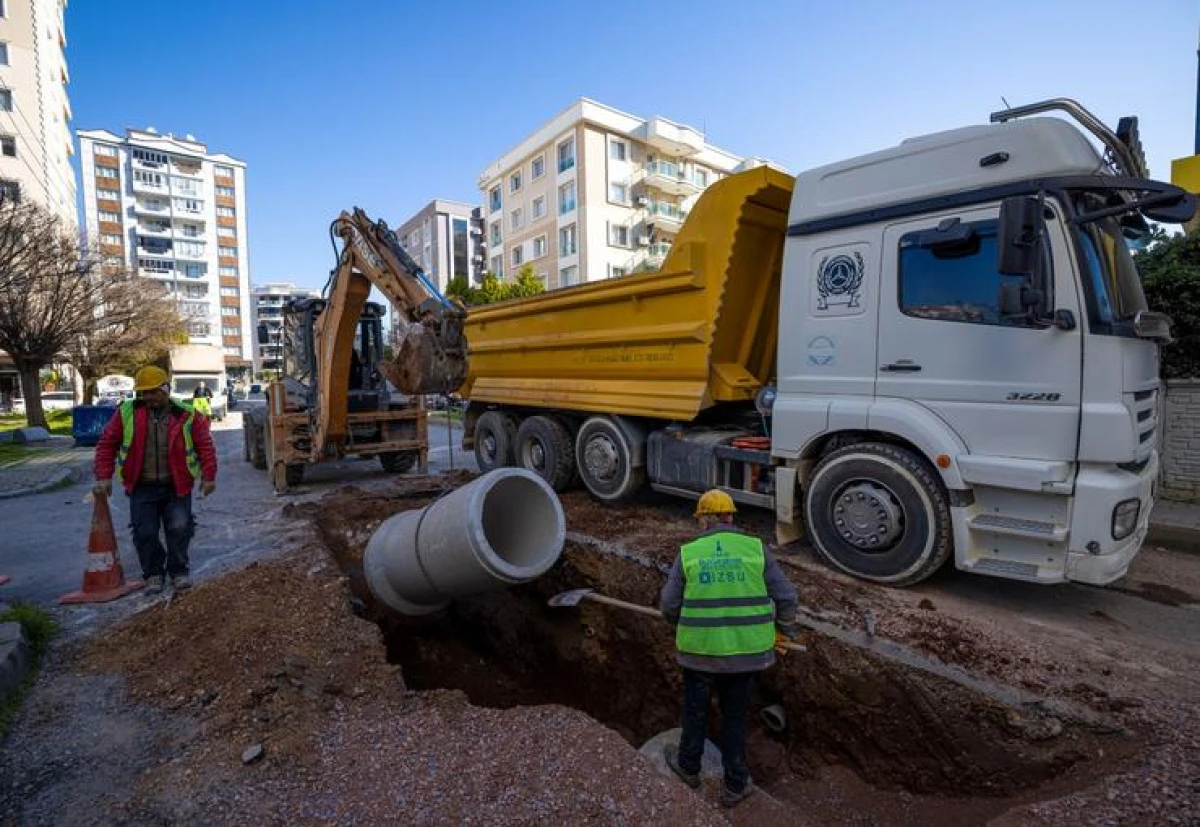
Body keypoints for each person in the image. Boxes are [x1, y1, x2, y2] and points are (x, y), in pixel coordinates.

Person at [658, 489, 799, 808]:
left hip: (700, 654)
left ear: (705, 520)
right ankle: (735, 784)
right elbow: (787, 598)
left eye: (700, 520)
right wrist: (785, 632)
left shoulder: (690, 553)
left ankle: (688, 768)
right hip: (747, 657)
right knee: (735, 719)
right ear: (730, 516)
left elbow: (668, 605)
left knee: (695, 712)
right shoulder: (755, 549)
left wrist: (680, 622)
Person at [93, 366, 218, 594]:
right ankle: (153, 574)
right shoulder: (127, 413)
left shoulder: (186, 414)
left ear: (165, 389)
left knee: (180, 528)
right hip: (142, 486)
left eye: (153, 392)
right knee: (145, 532)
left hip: (176, 485)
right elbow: (107, 444)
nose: (148, 397)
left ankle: (179, 571)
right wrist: (104, 476)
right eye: (144, 393)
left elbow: (205, 446)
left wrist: (209, 477)